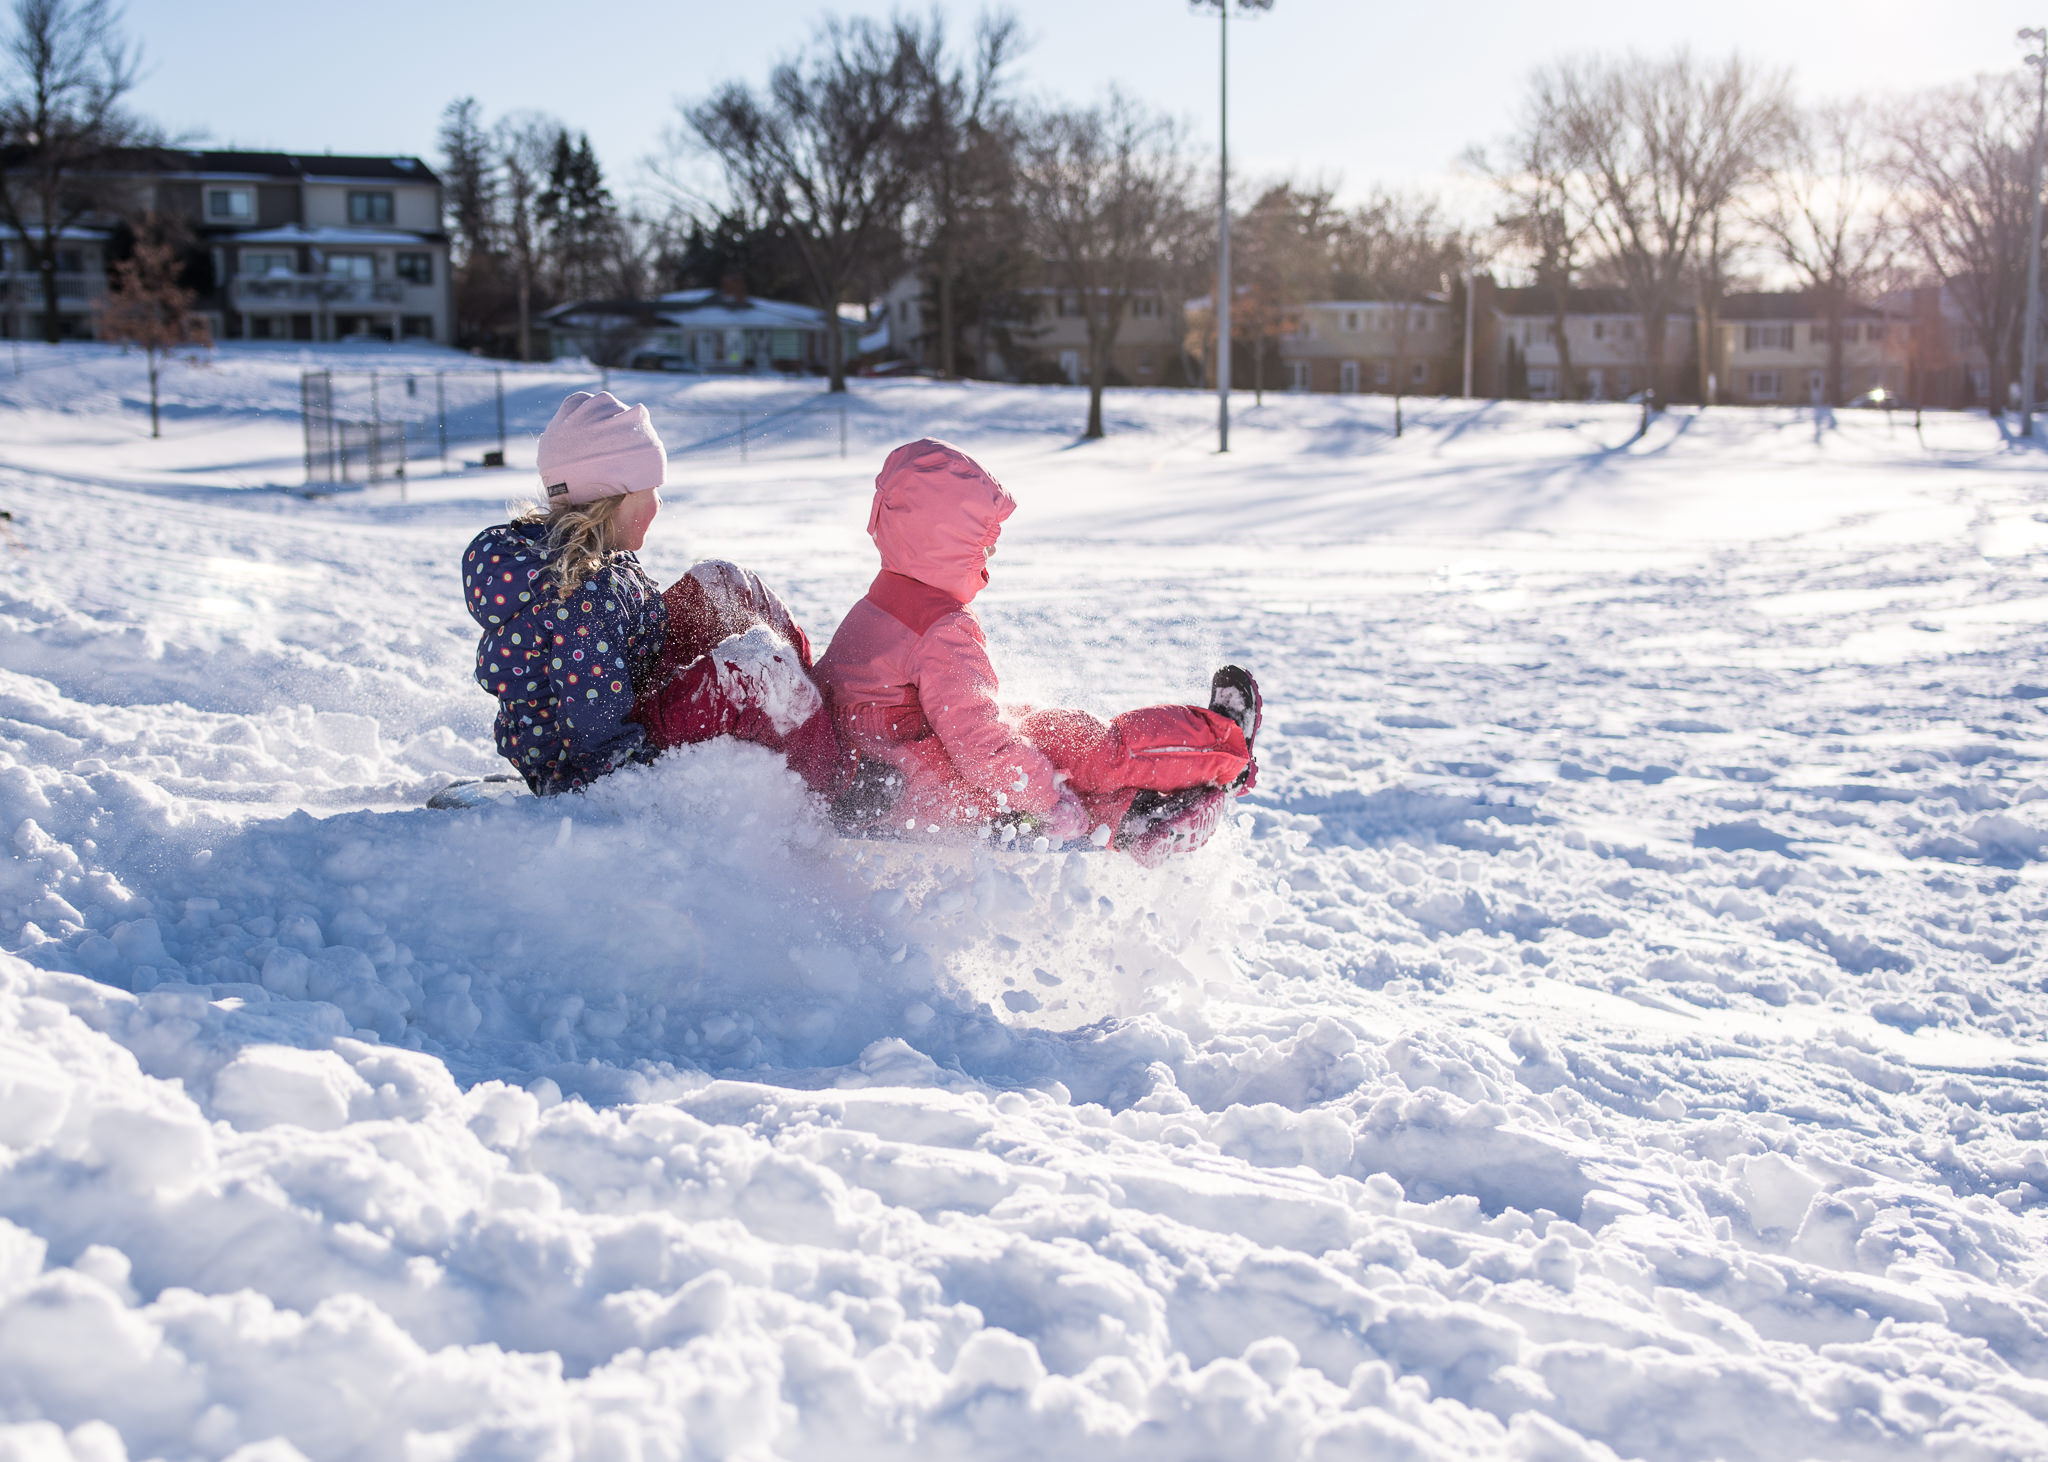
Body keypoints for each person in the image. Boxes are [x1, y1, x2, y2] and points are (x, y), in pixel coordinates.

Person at [817, 438, 1261, 863]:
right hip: (943, 791)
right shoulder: (940, 630)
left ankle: (1138, 820)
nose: (989, 554)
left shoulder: (875, 608)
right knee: (1080, 743)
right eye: (981, 543)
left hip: (899, 785)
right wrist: (1047, 804)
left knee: (1033, 730)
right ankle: (1225, 749)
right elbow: (981, 745)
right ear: (944, 542)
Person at [462, 390, 852, 798]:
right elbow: (594, 726)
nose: (660, 502)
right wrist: (632, 789)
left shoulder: (594, 555)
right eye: (650, 489)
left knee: (723, 582)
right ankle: (837, 789)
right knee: (760, 675)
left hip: (631, 682)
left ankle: (821, 722)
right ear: (611, 498)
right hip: (601, 756)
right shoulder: (578, 599)